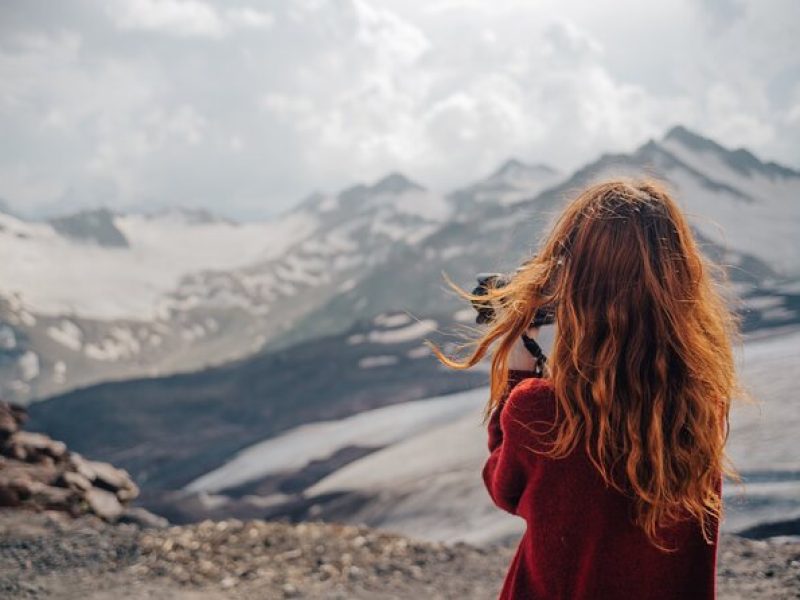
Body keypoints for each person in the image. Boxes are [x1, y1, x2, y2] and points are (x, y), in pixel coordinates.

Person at [427, 179, 742, 599]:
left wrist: (518, 379)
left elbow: (505, 489)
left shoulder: (539, 408)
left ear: (576, 286)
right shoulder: (701, 405)